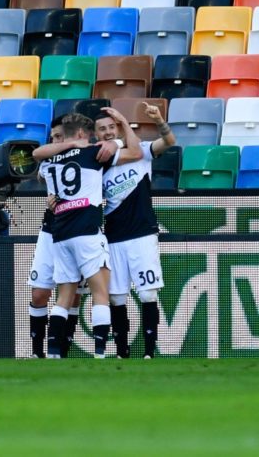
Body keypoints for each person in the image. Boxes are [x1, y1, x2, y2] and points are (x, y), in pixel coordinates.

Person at [33, 113, 142, 358]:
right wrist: (123, 125)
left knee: (64, 297)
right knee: (100, 292)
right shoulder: (93, 153)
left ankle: (52, 353)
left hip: (60, 234)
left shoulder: (50, 162)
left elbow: (35, 154)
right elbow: (137, 153)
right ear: (83, 134)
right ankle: (100, 353)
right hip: (86, 229)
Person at [96, 104, 176, 359]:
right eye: (102, 129)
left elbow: (169, 140)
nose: (108, 132)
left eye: (112, 127)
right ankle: (122, 352)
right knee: (117, 298)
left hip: (142, 234)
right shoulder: (98, 164)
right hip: (114, 236)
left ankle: (149, 353)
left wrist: (153, 119)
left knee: (147, 293)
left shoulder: (141, 151)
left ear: (119, 128)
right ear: (96, 135)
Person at [28, 116, 84, 358]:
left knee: (72, 296)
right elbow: (38, 156)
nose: (55, 141)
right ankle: (37, 353)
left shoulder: (87, 157)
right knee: (39, 293)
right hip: (50, 230)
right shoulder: (50, 159)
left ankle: (62, 351)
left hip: (78, 230)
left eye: (60, 136)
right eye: (53, 138)